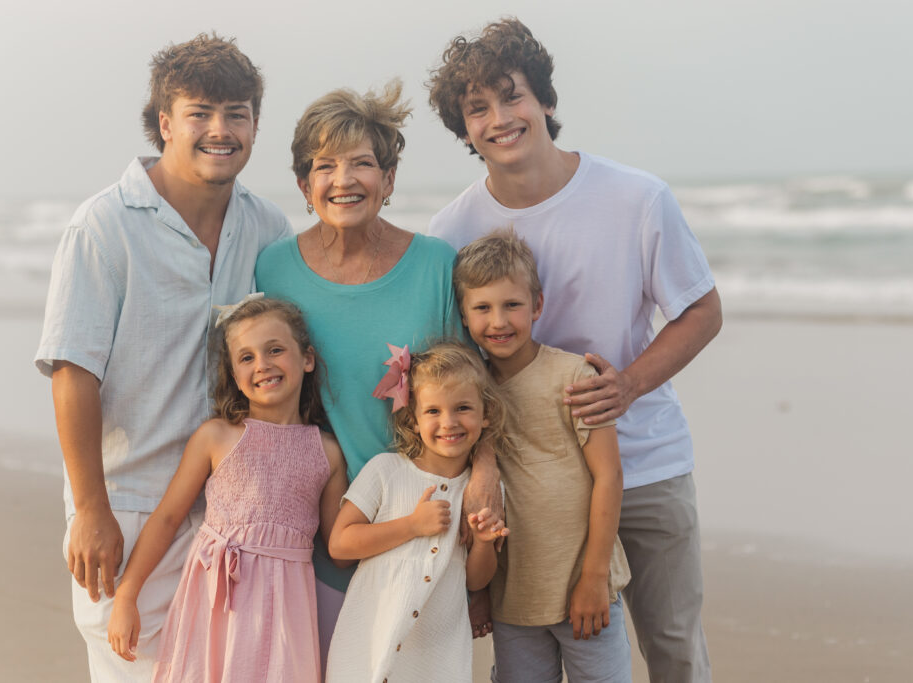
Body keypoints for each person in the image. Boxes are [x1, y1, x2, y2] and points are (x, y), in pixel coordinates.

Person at [428, 18, 723, 683]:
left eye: (513, 96)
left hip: (643, 464)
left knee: (674, 648)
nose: (499, 119)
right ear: (465, 129)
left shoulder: (637, 198)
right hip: (527, 486)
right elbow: (459, 369)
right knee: (532, 660)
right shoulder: (451, 231)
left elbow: (703, 310)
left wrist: (628, 385)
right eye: (478, 109)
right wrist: (479, 467)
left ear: (547, 103)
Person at [34, 34, 291, 680]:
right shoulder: (105, 224)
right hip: (129, 506)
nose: (219, 130)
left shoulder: (265, 227)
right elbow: (73, 372)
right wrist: (90, 506)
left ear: (255, 124)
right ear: (165, 122)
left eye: (236, 113)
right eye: (200, 113)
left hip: (233, 514)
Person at [254, 80, 496, 669]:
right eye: (325, 165)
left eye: (363, 163)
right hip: (326, 537)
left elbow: (474, 393)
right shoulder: (273, 268)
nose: (344, 180)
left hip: (432, 533)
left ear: (388, 180)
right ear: (304, 186)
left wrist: (486, 471)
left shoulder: (436, 263)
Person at [107, 297, 347, 681]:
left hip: (287, 610)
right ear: (234, 376)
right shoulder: (217, 437)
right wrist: (127, 595)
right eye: (246, 358)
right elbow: (168, 518)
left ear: (307, 358)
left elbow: (340, 548)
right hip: (216, 605)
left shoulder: (328, 452)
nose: (262, 365)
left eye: (275, 350)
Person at [454, 230, 632, 682]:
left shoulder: (573, 376)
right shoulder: (468, 394)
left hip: (584, 588)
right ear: (464, 314)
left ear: (536, 306)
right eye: (482, 308)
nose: (498, 321)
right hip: (514, 598)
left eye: (512, 305)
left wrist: (594, 577)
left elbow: (609, 477)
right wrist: (479, 594)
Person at [326, 341, 510, 682]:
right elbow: (340, 544)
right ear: (413, 420)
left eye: (463, 408)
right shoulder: (386, 471)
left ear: (486, 414)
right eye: (433, 411)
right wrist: (412, 525)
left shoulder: (484, 492)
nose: (449, 422)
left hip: (436, 655)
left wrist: (484, 543)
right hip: (368, 647)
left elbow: (475, 580)